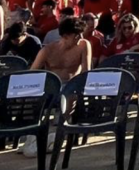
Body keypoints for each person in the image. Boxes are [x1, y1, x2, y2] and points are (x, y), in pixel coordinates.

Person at [26, 16, 92, 157]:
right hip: (52, 84)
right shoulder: (48, 50)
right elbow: (32, 72)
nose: (79, 38)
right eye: (76, 36)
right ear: (66, 36)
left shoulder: (83, 45)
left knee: (70, 94)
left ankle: (61, 129)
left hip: (71, 83)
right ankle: (35, 133)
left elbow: (86, 71)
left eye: (81, 34)